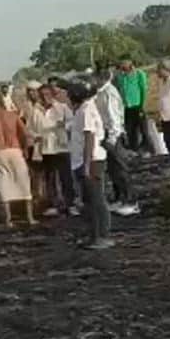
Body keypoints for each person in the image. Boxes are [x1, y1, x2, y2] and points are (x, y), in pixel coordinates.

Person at [67, 83, 113, 250]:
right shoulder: (84, 109)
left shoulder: (86, 110)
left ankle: (100, 236)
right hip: (86, 161)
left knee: (95, 201)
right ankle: (94, 235)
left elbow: (89, 137)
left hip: (90, 161)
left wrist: (86, 166)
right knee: (90, 201)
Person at [0, 92, 36, 226]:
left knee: (3, 181)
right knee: (23, 181)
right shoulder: (13, 115)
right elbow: (24, 133)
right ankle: (30, 217)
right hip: (15, 149)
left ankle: (8, 218)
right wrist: (25, 149)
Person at [92, 70, 139, 216]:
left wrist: (112, 138)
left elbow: (114, 117)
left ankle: (131, 201)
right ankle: (119, 198)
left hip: (112, 134)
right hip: (105, 133)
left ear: (102, 78)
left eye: (94, 78)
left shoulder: (109, 93)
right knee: (112, 169)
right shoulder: (100, 93)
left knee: (120, 168)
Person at [35, 84, 77, 217]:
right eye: (42, 95)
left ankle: (70, 203)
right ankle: (54, 204)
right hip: (47, 148)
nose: (44, 97)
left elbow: (72, 122)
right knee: (50, 177)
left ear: (52, 95)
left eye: (47, 94)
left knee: (66, 177)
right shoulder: (36, 111)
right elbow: (31, 128)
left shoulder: (62, 108)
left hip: (61, 146)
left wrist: (64, 125)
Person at [115, 58, 149, 154]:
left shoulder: (139, 74)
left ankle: (148, 149)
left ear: (130, 63)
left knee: (144, 130)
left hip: (137, 105)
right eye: (121, 63)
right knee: (130, 131)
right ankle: (133, 150)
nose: (122, 65)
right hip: (126, 107)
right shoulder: (120, 77)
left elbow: (143, 90)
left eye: (124, 63)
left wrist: (143, 105)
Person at [20, 80, 46, 204]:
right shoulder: (26, 106)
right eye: (29, 91)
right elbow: (23, 123)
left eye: (34, 91)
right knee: (34, 170)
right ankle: (37, 194)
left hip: (45, 141)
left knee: (46, 170)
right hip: (31, 141)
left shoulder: (45, 105)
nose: (31, 93)